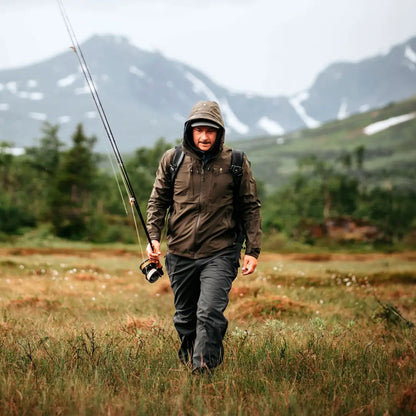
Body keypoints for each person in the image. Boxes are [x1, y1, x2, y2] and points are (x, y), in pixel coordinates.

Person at [146, 100, 261, 374]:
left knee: (208, 313)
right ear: (190, 131)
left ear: (219, 132)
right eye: (199, 130)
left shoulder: (236, 162)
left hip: (221, 252)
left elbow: (250, 206)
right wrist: (153, 237)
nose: (204, 136)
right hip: (180, 253)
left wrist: (252, 250)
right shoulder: (172, 160)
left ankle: (203, 371)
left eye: (210, 131)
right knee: (185, 318)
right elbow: (157, 202)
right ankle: (191, 360)